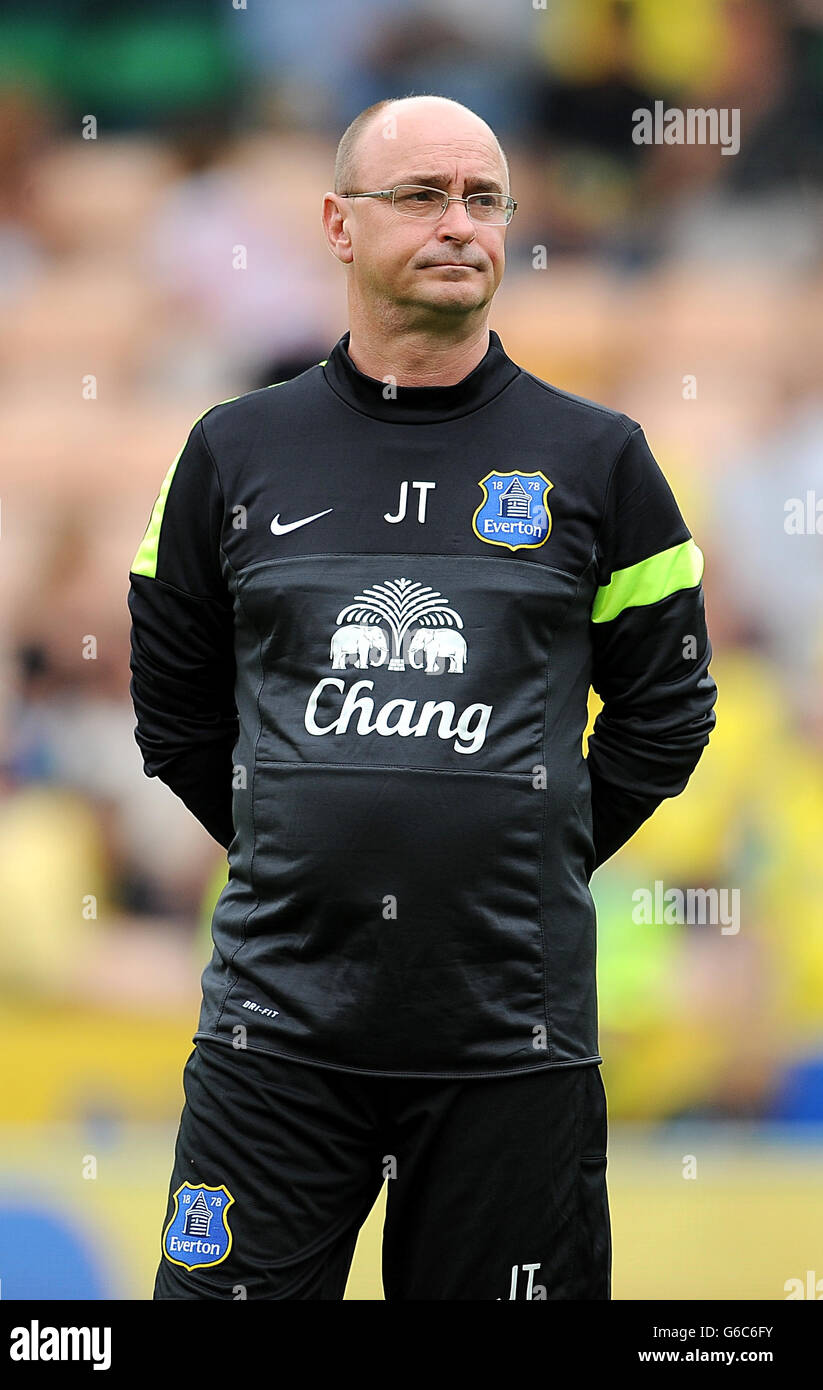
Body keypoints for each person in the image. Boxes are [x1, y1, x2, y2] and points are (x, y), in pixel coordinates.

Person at [128, 94, 717, 1300]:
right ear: (338, 226)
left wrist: (530, 847)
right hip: (273, 1038)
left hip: (511, 1041)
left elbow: (668, 713)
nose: (460, 225)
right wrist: (292, 845)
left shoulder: (597, 458)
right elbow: (175, 713)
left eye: (483, 199)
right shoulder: (231, 452)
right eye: (421, 196)